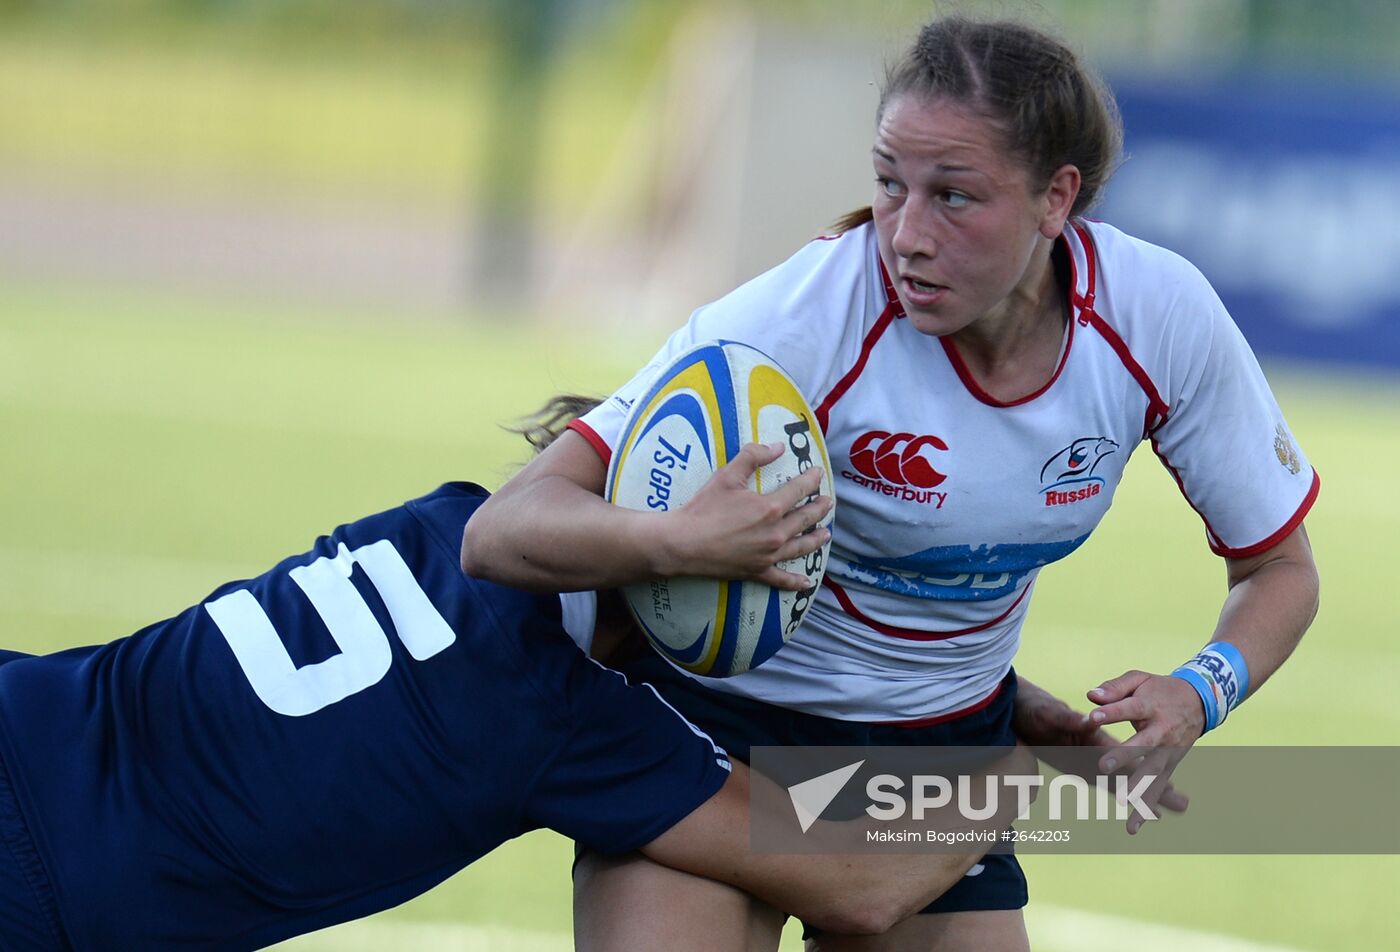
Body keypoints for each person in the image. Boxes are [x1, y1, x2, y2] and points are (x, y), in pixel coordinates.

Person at [460, 14, 1321, 952]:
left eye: (953, 196)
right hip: (716, 738)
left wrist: (1202, 688)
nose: (905, 234)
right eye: (887, 184)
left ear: (1055, 198)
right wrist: (681, 542)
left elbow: (1279, 570)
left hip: (936, 762)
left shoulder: (1159, 319)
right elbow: (502, 532)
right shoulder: (799, 320)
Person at [0, 447, 1101, 951]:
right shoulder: (565, 725)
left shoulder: (447, 520)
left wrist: (998, 682)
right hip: (47, 891)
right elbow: (860, 889)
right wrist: (1003, 757)